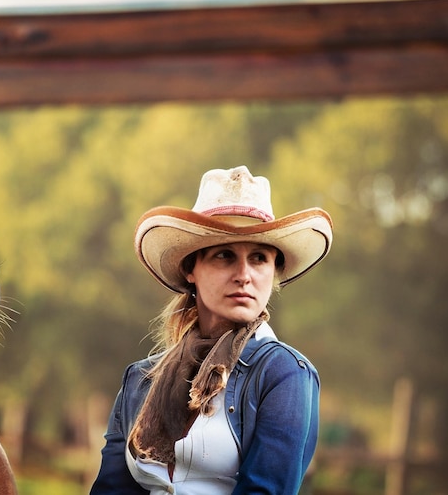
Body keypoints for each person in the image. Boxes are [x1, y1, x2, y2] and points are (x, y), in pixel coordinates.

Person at [90, 165, 333, 495]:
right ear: (191, 268)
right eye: (224, 255)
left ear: (273, 271)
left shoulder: (285, 374)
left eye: (259, 258)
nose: (244, 275)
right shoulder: (140, 379)